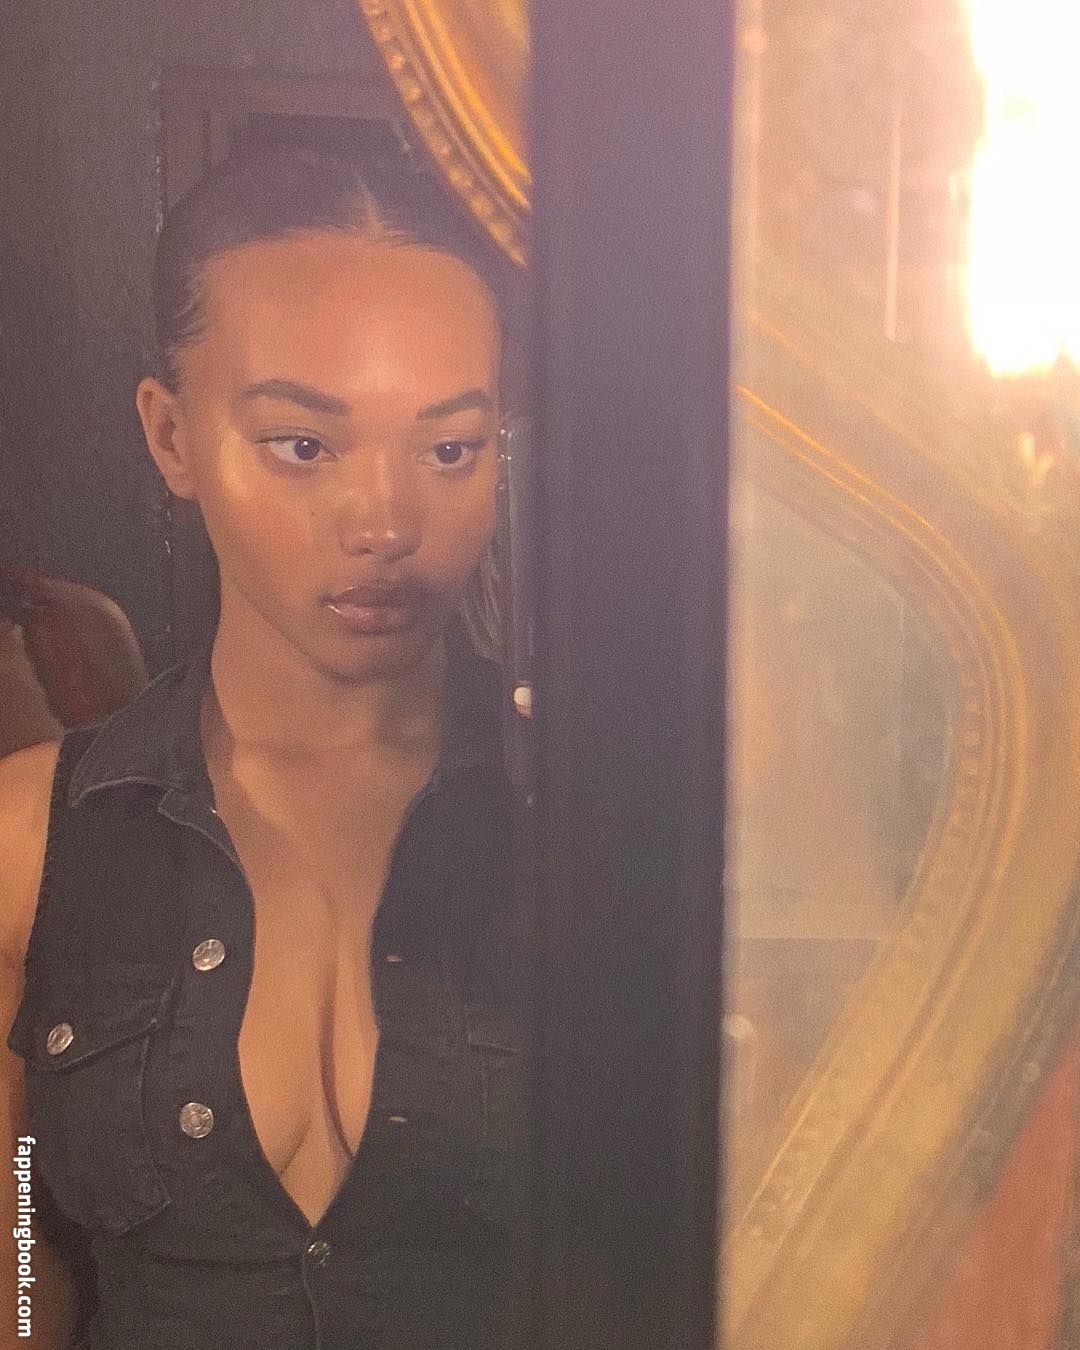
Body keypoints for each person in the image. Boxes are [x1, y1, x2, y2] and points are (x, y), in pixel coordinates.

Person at [0, 147, 527, 1349]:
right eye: (303, 444)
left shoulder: (591, 821)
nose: (386, 521)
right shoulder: (32, 847)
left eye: (450, 448)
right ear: (171, 435)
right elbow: (19, 1279)